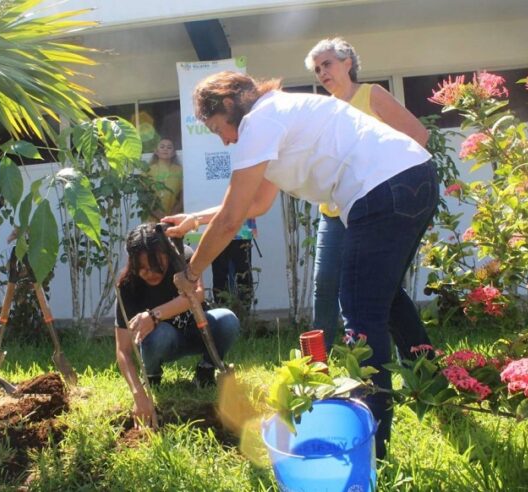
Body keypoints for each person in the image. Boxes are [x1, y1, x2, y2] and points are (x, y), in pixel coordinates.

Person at [164, 71, 438, 459]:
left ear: (228, 106)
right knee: (386, 298)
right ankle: (433, 386)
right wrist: (196, 219)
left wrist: (191, 274)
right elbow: (255, 204)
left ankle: (374, 447)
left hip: (381, 189)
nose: (224, 139)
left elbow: (232, 220)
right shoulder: (281, 113)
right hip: (415, 177)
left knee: (359, 312)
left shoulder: (259, 122)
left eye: (216, 128)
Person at [304, 37, 430, 350]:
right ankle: (315, 369)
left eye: (327, 64)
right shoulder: (326, 110)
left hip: (373, 210)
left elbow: (418, 136)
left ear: (348, 63)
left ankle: (420, 364)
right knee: (324, 286)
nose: (322, 72)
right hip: (333, 212)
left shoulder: (371, 94)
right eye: (317, 68)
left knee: (382, 289)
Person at [114, 223, 240, 428]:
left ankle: (205, 370)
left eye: (157, 266)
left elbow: (197, 294)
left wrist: (153, 315)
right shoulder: (127, 287)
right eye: (143, 269)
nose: (151, 273)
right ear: (133, 263)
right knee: (160, 333)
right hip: (160, 343)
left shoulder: (183, 258)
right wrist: (138, 393)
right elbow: (123, 351)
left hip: (196, 332)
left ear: (167, 255)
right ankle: (153, 376)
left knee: (227, 320)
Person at [211, 218, 257, 315]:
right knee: (220, 276)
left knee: (243, 275)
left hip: (242, 230)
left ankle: (244, 315)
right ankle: (221, 314)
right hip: (218, 231)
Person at [144, 138, 183, 223]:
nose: (165, 149)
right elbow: (144, 197)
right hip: (152, 219)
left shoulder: (179, 170)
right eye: (162, 147)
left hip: (174, 218)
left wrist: (172, 215)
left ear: (173, 153)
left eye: (169, 147)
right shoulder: (148, 170)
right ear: (156, 151)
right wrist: (160, 216)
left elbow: (182, 196)